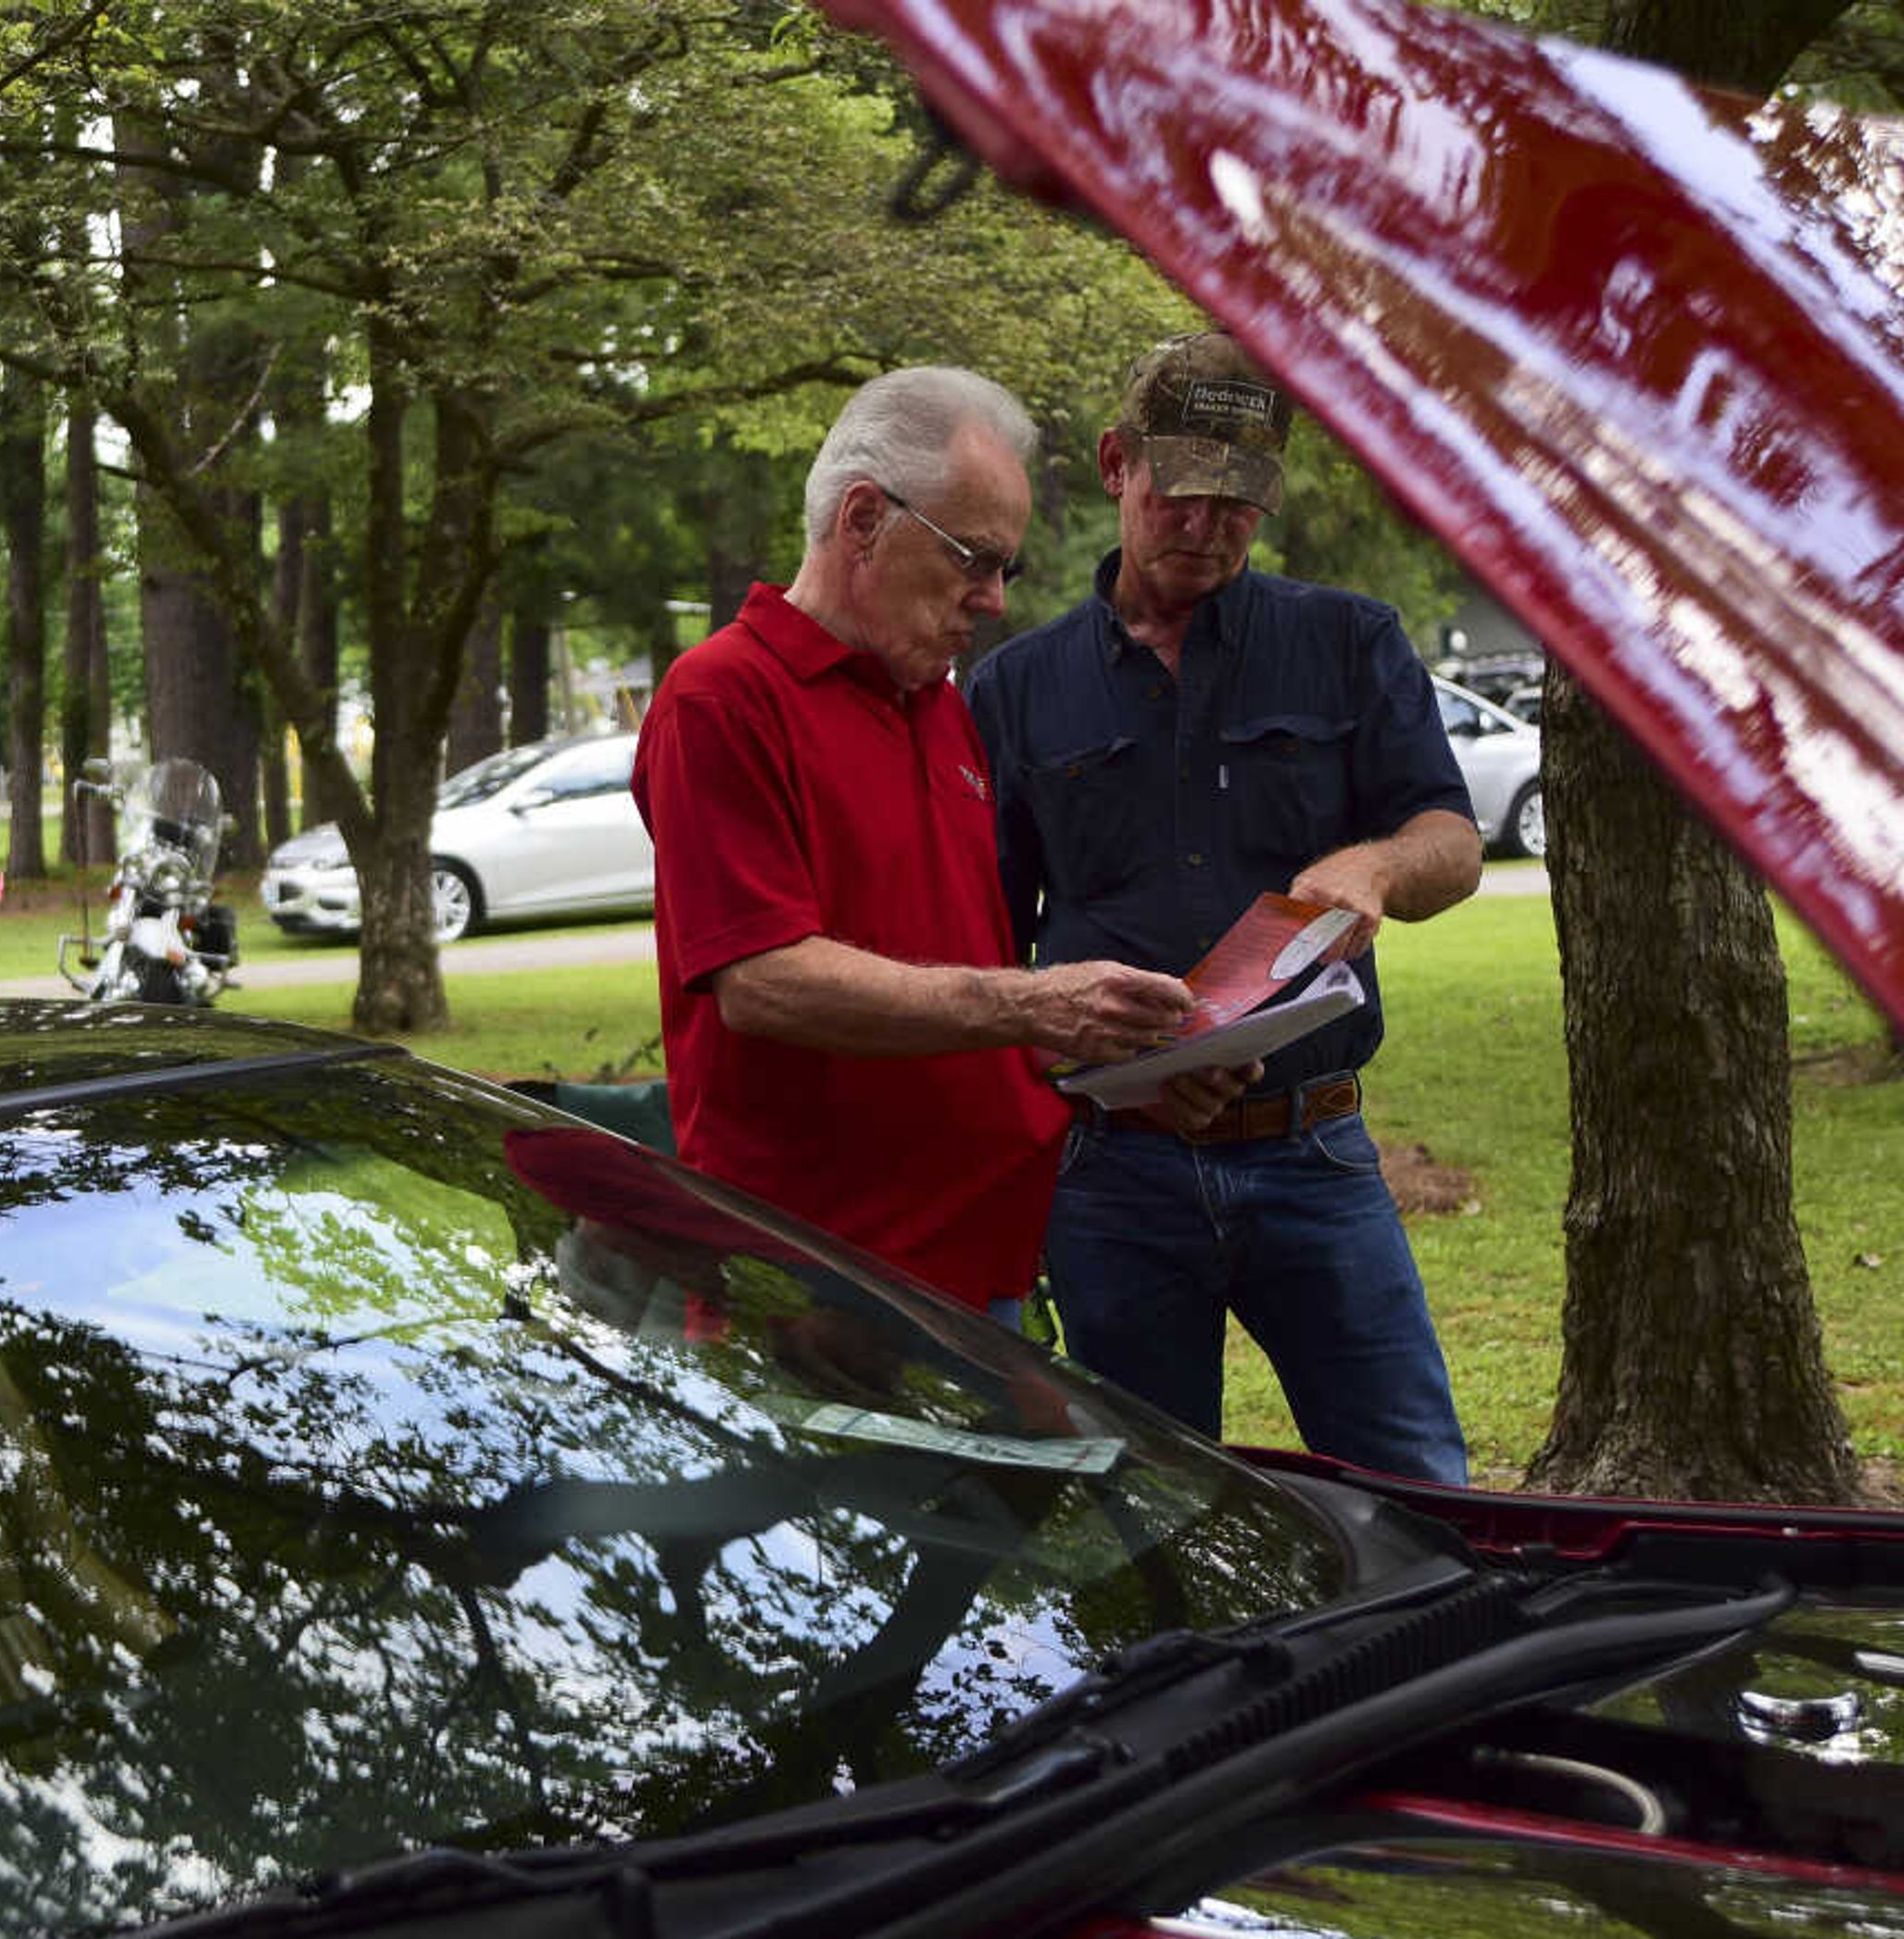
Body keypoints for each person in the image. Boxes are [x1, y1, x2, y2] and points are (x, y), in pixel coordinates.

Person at [966, 331, 1483, 1480]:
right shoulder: (1014, 687)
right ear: (1115, 464)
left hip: (1314, 1150)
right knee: (1144, 1512)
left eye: (1237, 501)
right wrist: (1098, 1066)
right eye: (1179, 492)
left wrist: (1377, 870)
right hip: (1114, 1178)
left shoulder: (1348, 643)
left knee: (1418, 1488)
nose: (1205, 525)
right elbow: (992, 953)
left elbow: (1452, 842)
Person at [630, 366, 1215, 1327]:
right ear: (862, 519)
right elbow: (761, 979)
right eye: (973, 559)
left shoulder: (939, 705)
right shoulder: (721, 696)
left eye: (1006, 571)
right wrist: (1040, 1003)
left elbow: (962, 983)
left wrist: (1123, 1061)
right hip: (823, 1284)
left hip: (983, 1265)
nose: (993, 601)